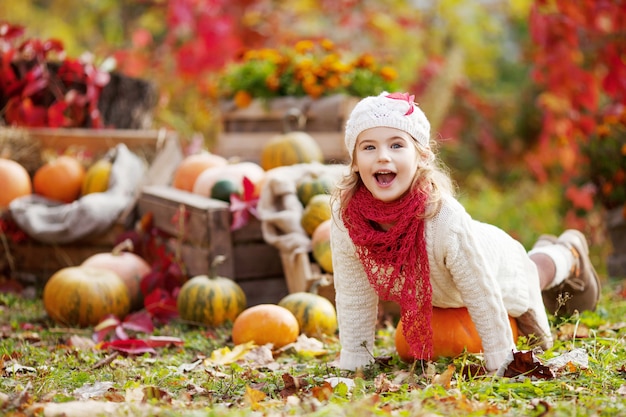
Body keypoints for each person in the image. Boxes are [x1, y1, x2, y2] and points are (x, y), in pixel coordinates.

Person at [330, 91, 601, 373]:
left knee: (531, 274)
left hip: (492, 261)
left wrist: (501, 361)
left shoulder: (442, 218)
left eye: (396, 145)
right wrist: (355, 360)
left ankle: (568, 252)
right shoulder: (347, 217)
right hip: (442, 290)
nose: (382, 157)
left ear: (421, 156)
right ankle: (555, 249)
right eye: (369, 147)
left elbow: (481, 293)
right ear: (355, 161)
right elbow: (353, 292)